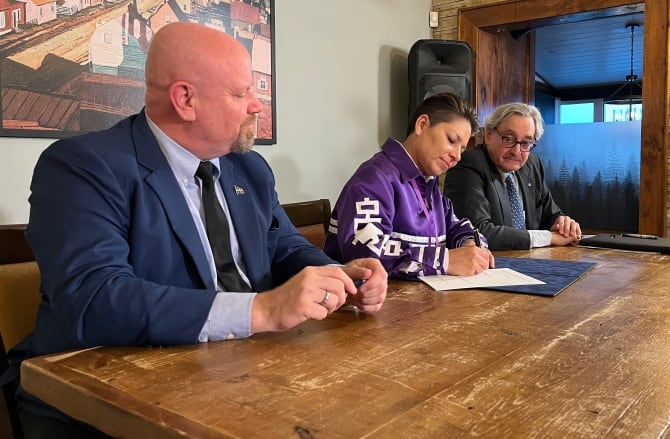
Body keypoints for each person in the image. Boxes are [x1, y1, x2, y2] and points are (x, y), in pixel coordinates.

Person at [2, 22, 387, 438]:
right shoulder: (83, 167)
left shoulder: (250, 169)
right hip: (106, 398)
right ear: (185, 99)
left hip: (245, 374)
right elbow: (94, 299)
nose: (257, 106)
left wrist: (340, 276)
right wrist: (262, 310)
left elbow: (284, 247)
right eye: (241, 94)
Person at [324, 93, 494, 279]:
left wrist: (469, 246)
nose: (457, 156)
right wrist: (444, 260)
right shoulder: (374, 178)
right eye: (452, 140)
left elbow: (457, 226)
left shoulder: (428, 183)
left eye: (462, 149)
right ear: (422, 125)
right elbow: (366, 253)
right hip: (367, 303)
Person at [443, 102, 581, 250]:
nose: (516, 151)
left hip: (533, 262)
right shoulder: (469, 164)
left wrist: (563, 224)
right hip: (489, 266)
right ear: (489, 135)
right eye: (508, 139)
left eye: (526, 143)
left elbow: (550, 215)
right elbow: (477, 232)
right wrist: (549, 237)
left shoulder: (532, 164)